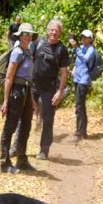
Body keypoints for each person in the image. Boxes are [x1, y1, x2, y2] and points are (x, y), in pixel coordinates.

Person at [0, 22, 36, 174]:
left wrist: (32, 100)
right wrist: (6, 100)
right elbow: (9, 77)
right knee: (11, 126)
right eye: (25, 34)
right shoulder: (17, 52)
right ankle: (4, 162)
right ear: (19, 36)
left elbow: (28, 79)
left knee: (26, 125)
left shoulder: (27, 52)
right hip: (16, 91)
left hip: (26, 91)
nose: (27, 37)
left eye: (29, 34)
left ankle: (21, 159)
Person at [32, 18, 69, 161]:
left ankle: (44, 150)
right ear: (47, 31)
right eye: (52, 30)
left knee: (47, 120)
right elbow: (29, 61)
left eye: (57, 30)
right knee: (23, 115)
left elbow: (64, 72)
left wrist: (60, 91)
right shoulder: (38, 43)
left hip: (50, 89)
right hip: (33, 86)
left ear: (60, 33)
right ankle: (17, 146)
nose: (54, 32)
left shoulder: (62, 49)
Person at [70, 29, 96, 143]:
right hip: (77, 78)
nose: (83, 39)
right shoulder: (81, 47)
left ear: (91, 39)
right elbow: (77, 61)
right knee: (80, 105)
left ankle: (79, 132)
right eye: (82, 37)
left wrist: (76, 48)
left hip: (84, 80)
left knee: (79, 106)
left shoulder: (91, 49)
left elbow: (85, 59)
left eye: (85, 37)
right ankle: (82, 131)